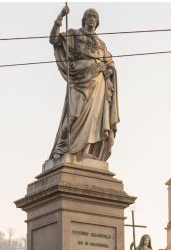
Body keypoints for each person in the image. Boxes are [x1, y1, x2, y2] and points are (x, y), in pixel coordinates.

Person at [49, 7, 119, 163]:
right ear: (84, 19)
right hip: (79, 80)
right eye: (90, 16)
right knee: (73, 115)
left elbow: (110, 62)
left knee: (94, 118)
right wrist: (60, 17)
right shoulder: (74, 34)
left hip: (98, 83)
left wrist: (109, 70)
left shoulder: (101, 44)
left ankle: (86, 151)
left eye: (95, 17)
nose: (92, 19)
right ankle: (60, 149)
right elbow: (54, 39)